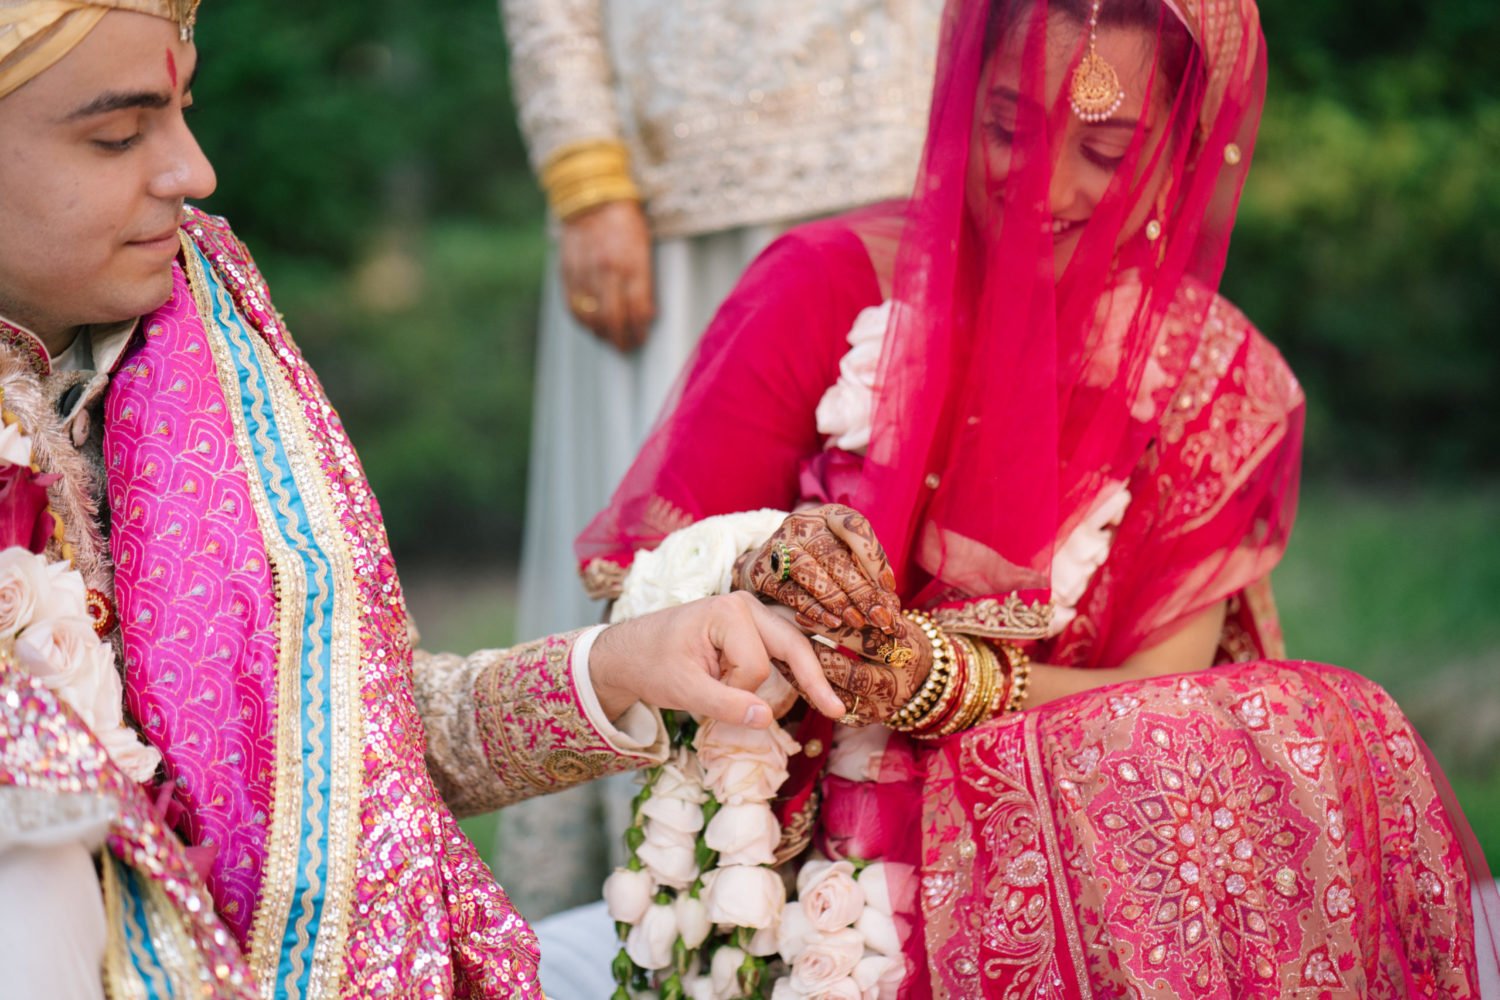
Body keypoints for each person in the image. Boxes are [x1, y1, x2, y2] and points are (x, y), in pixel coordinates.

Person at [581, 0, 1500, 993]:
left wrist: (949, 681)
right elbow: (639, 614)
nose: (1041, 185)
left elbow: (1163, 705)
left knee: (1320, 720)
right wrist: (770, 569)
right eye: (1008, 127)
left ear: (1181, 153)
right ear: (956, 101)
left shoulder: (1222, 383)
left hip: (1092, 878)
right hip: (808, 887)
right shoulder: (819, 289)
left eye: (1104, 149)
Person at [0, 2, 849, 997]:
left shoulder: (185, 356)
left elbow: (348, 761)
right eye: (117, 134)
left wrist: (619, 664)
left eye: (184, 110)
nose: (193, 172)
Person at [498, 0, 944, 918]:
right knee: (673, 562)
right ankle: (666, 895)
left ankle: (867, 887)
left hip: (903, 133)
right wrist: (585, 174)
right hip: (675, 183)